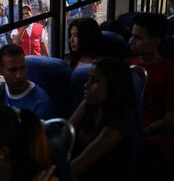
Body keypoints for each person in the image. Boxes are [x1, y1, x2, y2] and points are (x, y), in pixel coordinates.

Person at [70, 58, 137, 180]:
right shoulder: (89, 103)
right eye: (89, 79)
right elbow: (65, 133)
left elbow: (83, 163)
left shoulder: (122, 119)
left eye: (95, 81)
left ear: (113, 86)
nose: (86, 84)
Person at [127, 13, 174, 180]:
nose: (131, 41)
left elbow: (170, 119)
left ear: (155, 41)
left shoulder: (169, 71)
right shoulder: (129, 64)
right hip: (127, 127)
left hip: (154, 137)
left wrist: (140, 132)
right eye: (132, 36)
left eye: (138, 38)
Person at [0, 44, 54, 120]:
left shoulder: (40, 103)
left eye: (22, 68)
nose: (19, 75)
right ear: (0, 71)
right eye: (12, 70)